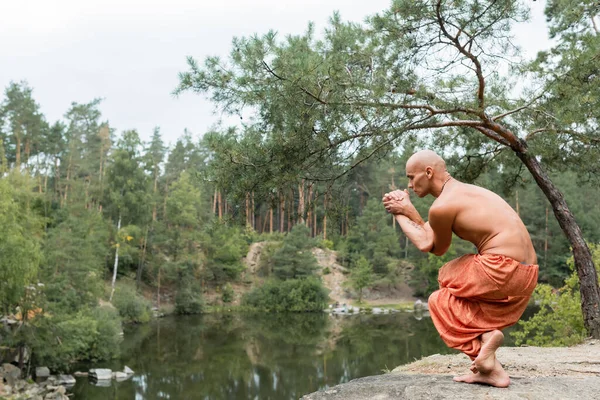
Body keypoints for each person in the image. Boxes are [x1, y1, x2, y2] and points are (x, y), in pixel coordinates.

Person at [382, 150, 538, 388]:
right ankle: (489, 358)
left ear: (428, 172)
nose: (410, 185)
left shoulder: (442, 206)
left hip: (499, 269)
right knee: (447, 298)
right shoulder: (468, 191)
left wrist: (401, 212)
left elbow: (430, 244)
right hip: (527, 274)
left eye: (412, 177)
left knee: (443, 282)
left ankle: (484, 347)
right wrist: (407, 210)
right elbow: (431, 232)